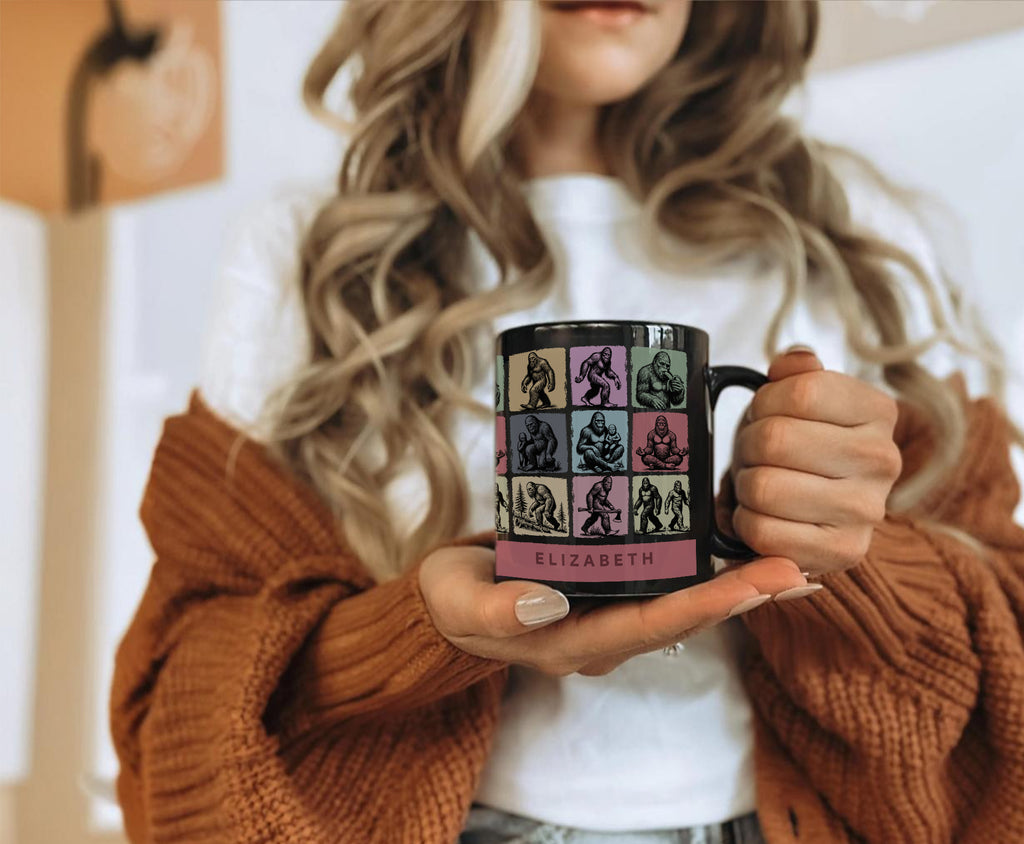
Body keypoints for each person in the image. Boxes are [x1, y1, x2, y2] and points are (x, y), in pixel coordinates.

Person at [109, 2, 1024, 843]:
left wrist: (846, 561)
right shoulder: (315, 256)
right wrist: (416, 633)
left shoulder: (848, 233)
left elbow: (1003, 655)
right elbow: (183, 687)